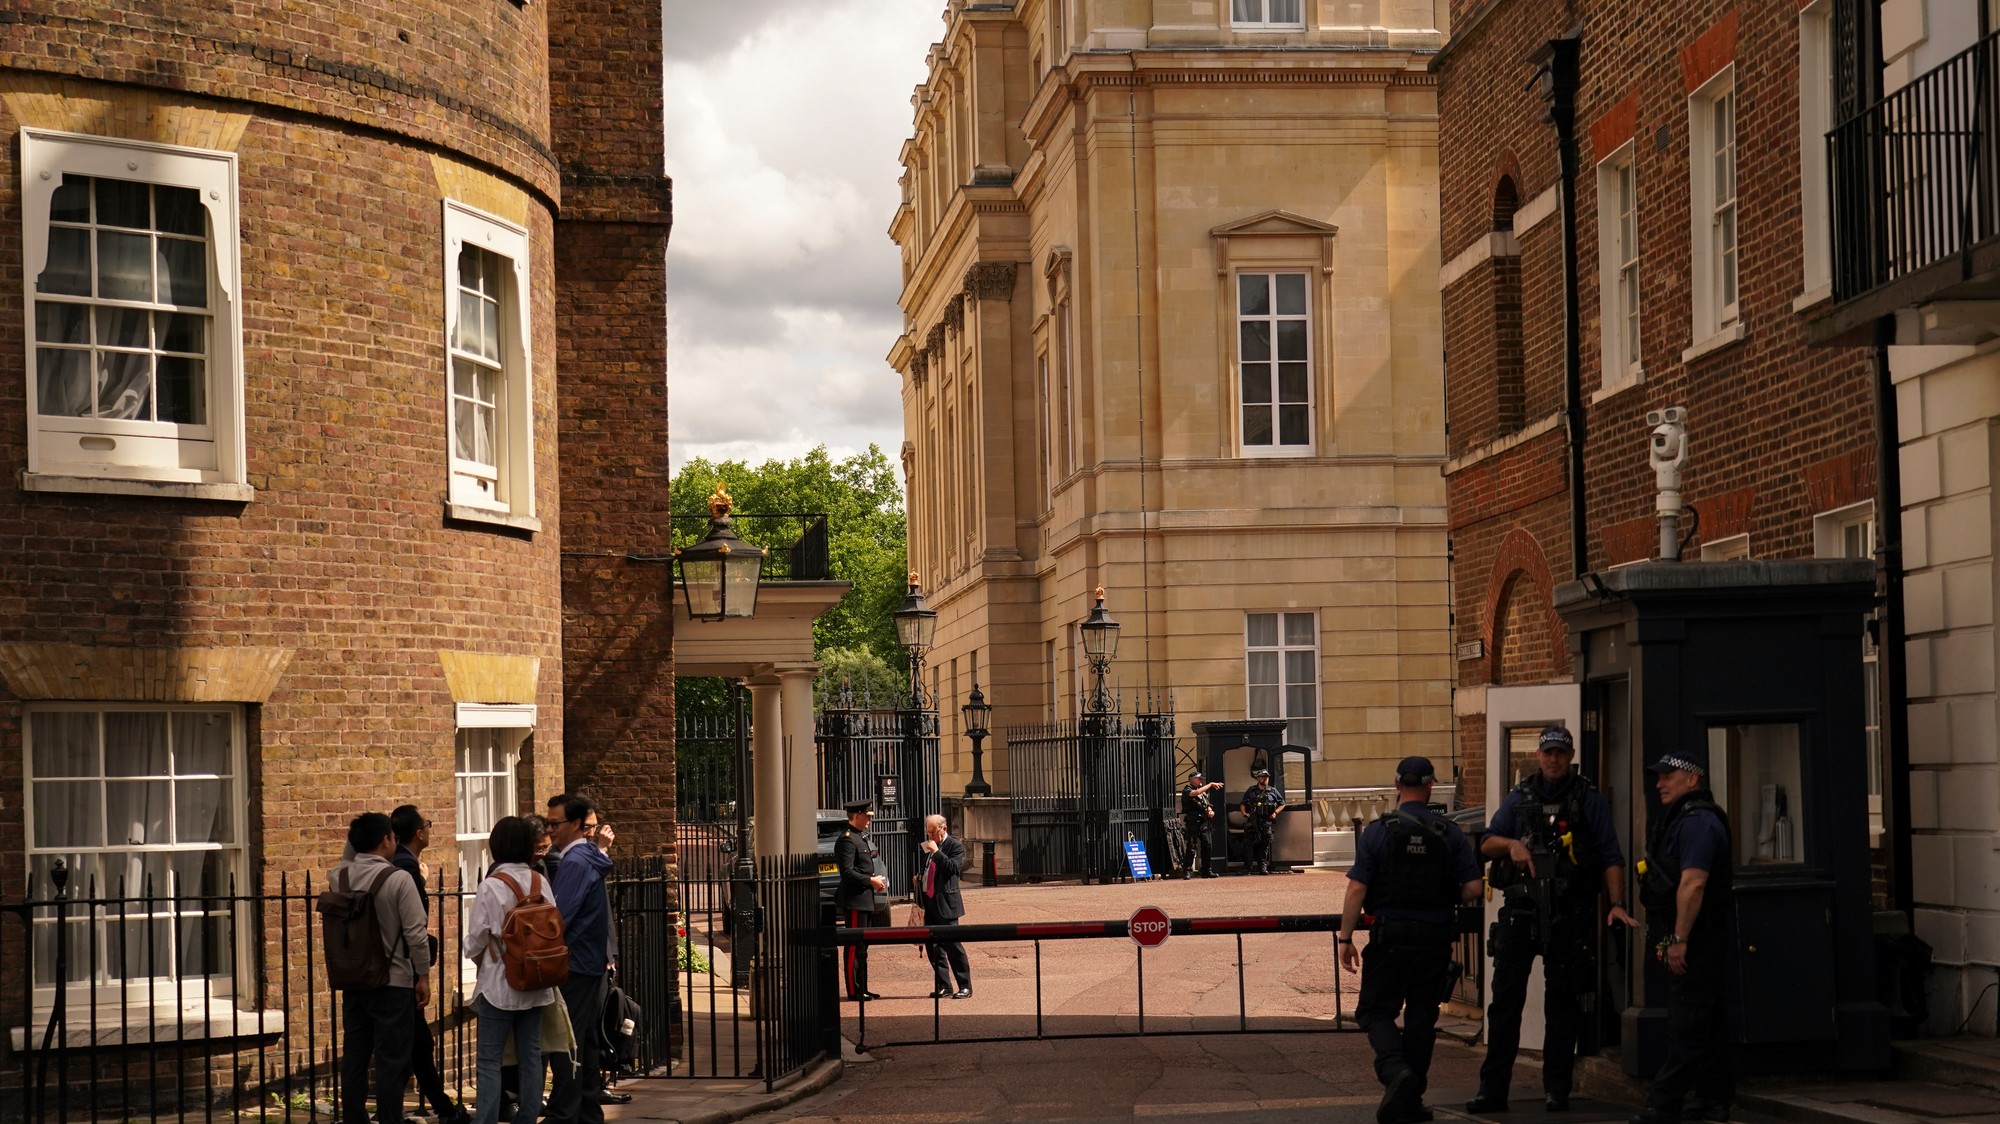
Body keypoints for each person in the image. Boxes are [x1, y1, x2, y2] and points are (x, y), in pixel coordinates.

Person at [1469, 726, 1638, 1113]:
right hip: (1522, 912)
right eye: (1548, 753)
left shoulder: (1587, 798)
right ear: (1539, 755)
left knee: (1562, 1005)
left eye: (1560, 753)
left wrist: (1616, 903)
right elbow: (1487, 842)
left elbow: (1611, 856)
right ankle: (1492, 1090)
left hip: (1569, 914)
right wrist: (1512, 845)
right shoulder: (1521, 796)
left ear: (1571, 755)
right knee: (1505, 1004)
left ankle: (1557, 1089)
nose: (1554, 759)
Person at [1339, 757, 1482, 1124]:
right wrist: (1441, 896)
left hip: (1391, 936)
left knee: (1374, 1011)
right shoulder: (1449, 833)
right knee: (1421, 1017)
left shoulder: (1378, 832)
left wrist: (1345, 937)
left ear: (1397, 784)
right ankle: (1411, 1097)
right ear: (1431, 784)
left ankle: (1395, 1070)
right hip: (1434, 939)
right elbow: (1472, 888)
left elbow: (1357, 889)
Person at [1630, 751, 1735, 1124]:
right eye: (1658, 777)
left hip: (1697, 939)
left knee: (1688, 1024)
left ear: (1692, 779)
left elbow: (1693, 883)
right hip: (1700, 937)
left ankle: (1663, 1104)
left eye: (1668, 776)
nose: (1659, 783)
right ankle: (1711, 1100)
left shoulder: (1697, 823)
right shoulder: (1685, 820)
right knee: (1709, 1021)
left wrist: (1679, 939)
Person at [331, 812, 432, 1124]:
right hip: (394, 981)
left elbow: (347, 856)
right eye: (391, 836)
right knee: (392, 1060)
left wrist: (356, 836)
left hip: (354, 980)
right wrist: (423, 976)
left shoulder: (338, 877)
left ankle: (354, 1118)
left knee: (355, 1056)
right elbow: (416, 935)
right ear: (386, 840)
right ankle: (389, 1118)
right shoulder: (399, 879)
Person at [464, 815, 558, 1124]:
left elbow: (475, 940)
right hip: (537, 981)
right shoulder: (539, 881)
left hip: (499, 984)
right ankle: (528, 1117)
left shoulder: (492, 885)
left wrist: (477, 956)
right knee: (531, 1056)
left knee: (490, 1060)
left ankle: (486, 1120)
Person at [385, 805, 470, 1124]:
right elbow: (414, 927)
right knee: (415, 1045)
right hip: (403, 970)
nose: (430, 829)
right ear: (419, 833)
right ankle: (439, 1110)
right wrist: (422, 974)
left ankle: (441, 1108)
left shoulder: (395, 862)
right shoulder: (406, 867)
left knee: (416, 1045)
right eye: (428, 824)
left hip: (393, 969)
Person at [497, 815, 578, 1123]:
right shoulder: (529, 878)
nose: (542, 852)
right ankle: (517, 1106)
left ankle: (515, 1108)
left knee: (509, 1053)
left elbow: (478, 940)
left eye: (545, 846)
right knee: (524, 1052)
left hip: (519, 975)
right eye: (539, 846)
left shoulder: (526, 875)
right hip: (529, 974)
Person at [548, 796, 621, 1123]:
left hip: (574, 964)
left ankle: (563, 1114)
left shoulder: (575, 863)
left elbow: (559, 918)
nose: (550, 830)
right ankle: (588, 1111)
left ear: (576, 824)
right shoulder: (587, 857)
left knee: (568, 1041)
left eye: (555, 824)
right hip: (588, 963)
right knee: (586, 1041)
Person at [833, 799, 889, 1001]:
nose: (869, 820)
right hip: (856, 899)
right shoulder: (847, 839)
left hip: (865, 898)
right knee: (854, 946)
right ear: (857, 816)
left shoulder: (860, 837)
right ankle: (853, 989)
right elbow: (847, 872)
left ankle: (862, 986)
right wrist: (870, 881)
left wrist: (873, 881)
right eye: (867, 816)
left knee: (863, 947)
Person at [915, 813, 972, 999]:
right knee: (933, 947)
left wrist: (937, 853)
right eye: (928, 832)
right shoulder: (930, 845)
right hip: (930, 902)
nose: (930, 836)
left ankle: (965, 986)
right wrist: (919, 877)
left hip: (946, 903)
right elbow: (928, 869)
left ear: (944, 829)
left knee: (953, 946)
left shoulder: (955, 846)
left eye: (933, 832)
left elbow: (953, 869)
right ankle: (944, 985)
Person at [1179, 770, 1225, 878]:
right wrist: (1210, 784)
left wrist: (1210, 811)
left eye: (1202, 779)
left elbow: (1207, 804)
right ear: (1192, 780)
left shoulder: (1203, 793)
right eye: (1199, 778)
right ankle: (1187, 871)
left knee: (1207, 845)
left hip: (1204, 822)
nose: (1201, 780)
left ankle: (1206, 870)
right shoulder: (1187, 790)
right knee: (1192, 846)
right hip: (1193, 822)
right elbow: (1196, 793)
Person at [1241, 767, 1286, 874]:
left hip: (1266, 821)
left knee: (1264, 845)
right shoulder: (1251, 790)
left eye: (1266, 777)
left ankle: (1263, 868)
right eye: (1262, 777)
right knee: (1248, 845)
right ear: (1258, 778)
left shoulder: (1273, 791)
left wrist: (1275, 813)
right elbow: (1243, 803)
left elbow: (1282, 804)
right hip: (1253, 821)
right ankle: (1247, 868)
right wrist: (1244, 813)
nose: (1265, 779)